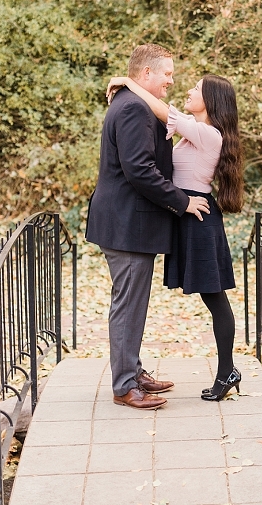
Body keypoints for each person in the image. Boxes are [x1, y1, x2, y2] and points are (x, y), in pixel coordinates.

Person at [86, 43, 211, 410]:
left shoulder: (135, 103)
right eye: (167, 74)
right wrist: (183, 201)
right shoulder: (132, 109)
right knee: (127, 305)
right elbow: (140, 171)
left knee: (134, 302)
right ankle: (125, 386)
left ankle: (133, 371)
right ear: (147, 74)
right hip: (126, 224)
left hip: (132, 224)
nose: (172, 80)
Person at [107, 72, 245, 402]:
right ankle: (226, 369)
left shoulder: (209, 134)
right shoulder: (191, 134)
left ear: (210, 101)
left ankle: (227, 369)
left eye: (195, 89)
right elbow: (161, 123)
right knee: (211, 297)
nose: (187, 90)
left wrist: (128, 81)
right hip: (188, 216)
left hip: (199, 219)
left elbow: (162, 109)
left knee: (215, 297)